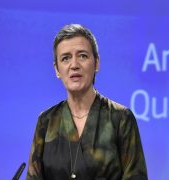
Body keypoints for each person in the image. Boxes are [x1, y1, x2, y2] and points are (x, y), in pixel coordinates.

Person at [26, 24, 148, 180]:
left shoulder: (121, 118)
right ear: (57, 69)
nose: (74, 65)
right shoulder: (46, 121)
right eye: (65, 58)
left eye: (82, 56)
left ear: (96, 63)